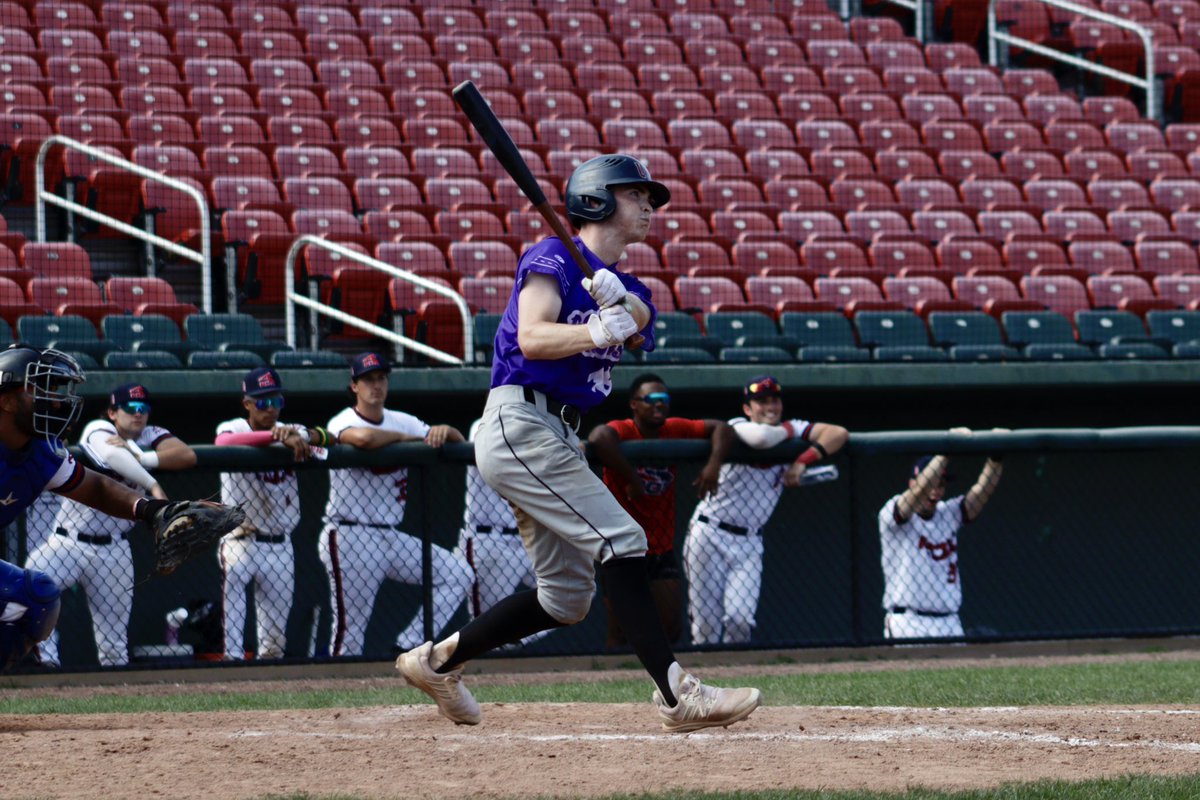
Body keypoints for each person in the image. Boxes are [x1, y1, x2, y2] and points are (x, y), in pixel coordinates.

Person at [396, 153, 762, 733]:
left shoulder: (623, 280)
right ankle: (676, 695)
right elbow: (535, 338)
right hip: (520, 422)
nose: (647, 205)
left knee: (566, 599)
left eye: (649, 197)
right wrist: (596, 326)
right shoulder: (549, 257)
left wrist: (619, 302)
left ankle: (437, 661)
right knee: (623, 539)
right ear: (596, 199)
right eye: (635, 193)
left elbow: (641, 317)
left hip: (559, 435)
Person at [0, 345, 188, 672]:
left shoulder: (41, 454)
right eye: (39, 390)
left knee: (37, 596)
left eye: (54, 390)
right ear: (5, 400)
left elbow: (97, 486)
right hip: (69, 540)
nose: (54, 400)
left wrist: (150, 510)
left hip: (109, 550)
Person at [320, 351, 472, 658]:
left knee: (459, 574)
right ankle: (337, 689)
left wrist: (445, 430)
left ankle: (408, 643)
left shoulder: (403, 419)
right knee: (350, 631)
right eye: (368, 380)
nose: (376, 385)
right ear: (354, 386)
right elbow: (363, 440)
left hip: (391, 536)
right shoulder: (343, 420)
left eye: (381, 378)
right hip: (352, 534)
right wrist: (410, 439)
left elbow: (456, 441)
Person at [684, 374, 849, 646]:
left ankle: (737, 680)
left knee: (740, 620)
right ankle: (705, 684)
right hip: (709, 532)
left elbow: (838, 433)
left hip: (750, 540)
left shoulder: (791, 427)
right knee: (706, 628)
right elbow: (761, 438)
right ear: (748, 409)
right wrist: (792, 432)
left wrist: (803, 461)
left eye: (774, 400)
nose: (770, 406)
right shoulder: (738, 426)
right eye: (761, 401)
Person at [588, 373, 733, 647]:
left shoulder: (674, 428)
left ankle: (661, 680)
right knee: (619, 632)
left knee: (670, 627)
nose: (659, 405)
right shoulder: (625, 429)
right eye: (651, 399)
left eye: (664, 399)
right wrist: (632, 478)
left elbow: (723, 429)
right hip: (620, 547)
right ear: (634, 404)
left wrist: (713, 465)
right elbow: (599, 437)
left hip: (660, 547)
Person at [214, 367, 332, 661]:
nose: (271, 409)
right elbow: (223, 444)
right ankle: (228, 675)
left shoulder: (291, 429)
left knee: (275, 641)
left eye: (276, 402)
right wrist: (273, 438)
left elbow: (330, 440)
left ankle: (266, 690)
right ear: (248, 404)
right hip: (240, 540)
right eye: (263, 403)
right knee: (232, 634)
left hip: (280, 543)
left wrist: (303, 434)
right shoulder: (235, 427)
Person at [878, 427, 1006, 640]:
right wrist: (946, 450)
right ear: (912, 482)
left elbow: (982, 492)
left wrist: (995, 460)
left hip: (949, 621)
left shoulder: (947, 514)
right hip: (908, 621)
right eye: (932, 484)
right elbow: (919, 492)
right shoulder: (892, 513)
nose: (936, 491)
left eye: (942, 485)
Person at [455, 418, 552, 649]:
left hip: (530, 539)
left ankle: (511, 639)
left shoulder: (541, 425)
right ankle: (486, 664)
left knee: (575, 595)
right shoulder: (482, 425)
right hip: (490, 538)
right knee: (486, 623)